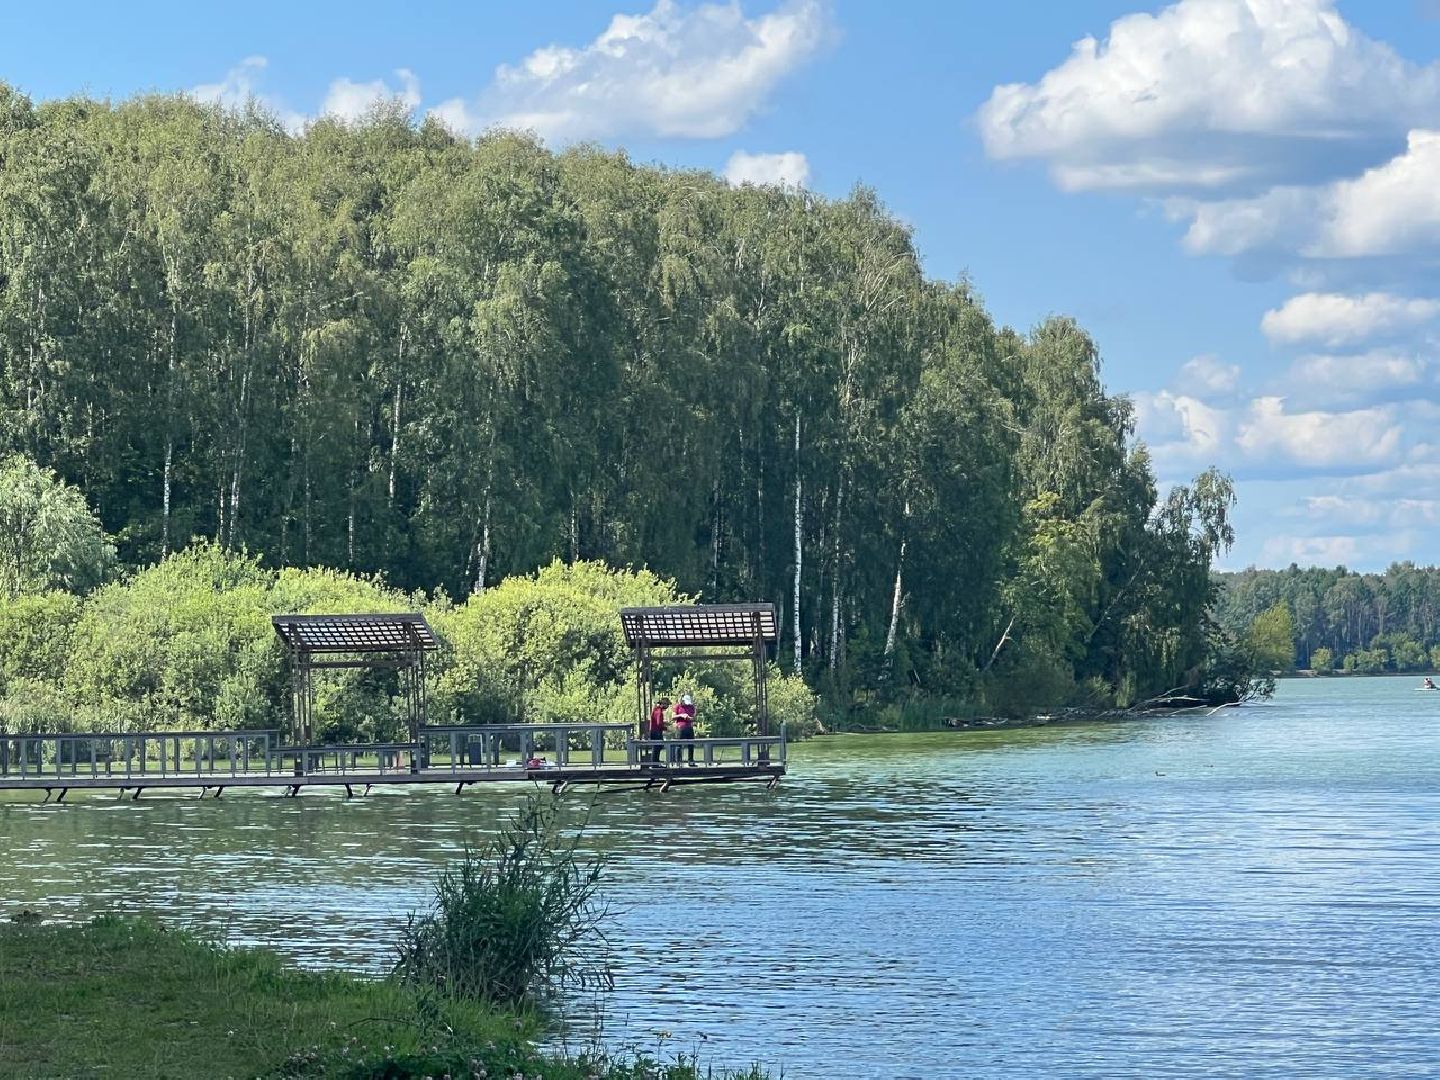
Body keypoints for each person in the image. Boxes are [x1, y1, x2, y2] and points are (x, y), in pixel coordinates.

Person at [672, 693, 696, 765]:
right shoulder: (677, 707)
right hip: (680, 728)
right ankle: (678, 762)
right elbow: (673, 717)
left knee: (691, 745)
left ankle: (690, 761)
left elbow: (694, 717)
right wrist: (681, 715)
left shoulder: (691, 707)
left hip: (689, 727)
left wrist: (690, 718)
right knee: (679, 745)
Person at [646, 697, 670, 763]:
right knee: (657, 747)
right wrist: (666, 728)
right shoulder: (659, 712)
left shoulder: (655, 709)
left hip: (653, 731)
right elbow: (659, 724)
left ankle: (656, 762)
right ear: (663, 704)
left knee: (657, 747)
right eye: (667, 705)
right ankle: (655, 763)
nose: (667, 706)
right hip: (656, 732)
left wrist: (665, 723)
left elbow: (657, 721)